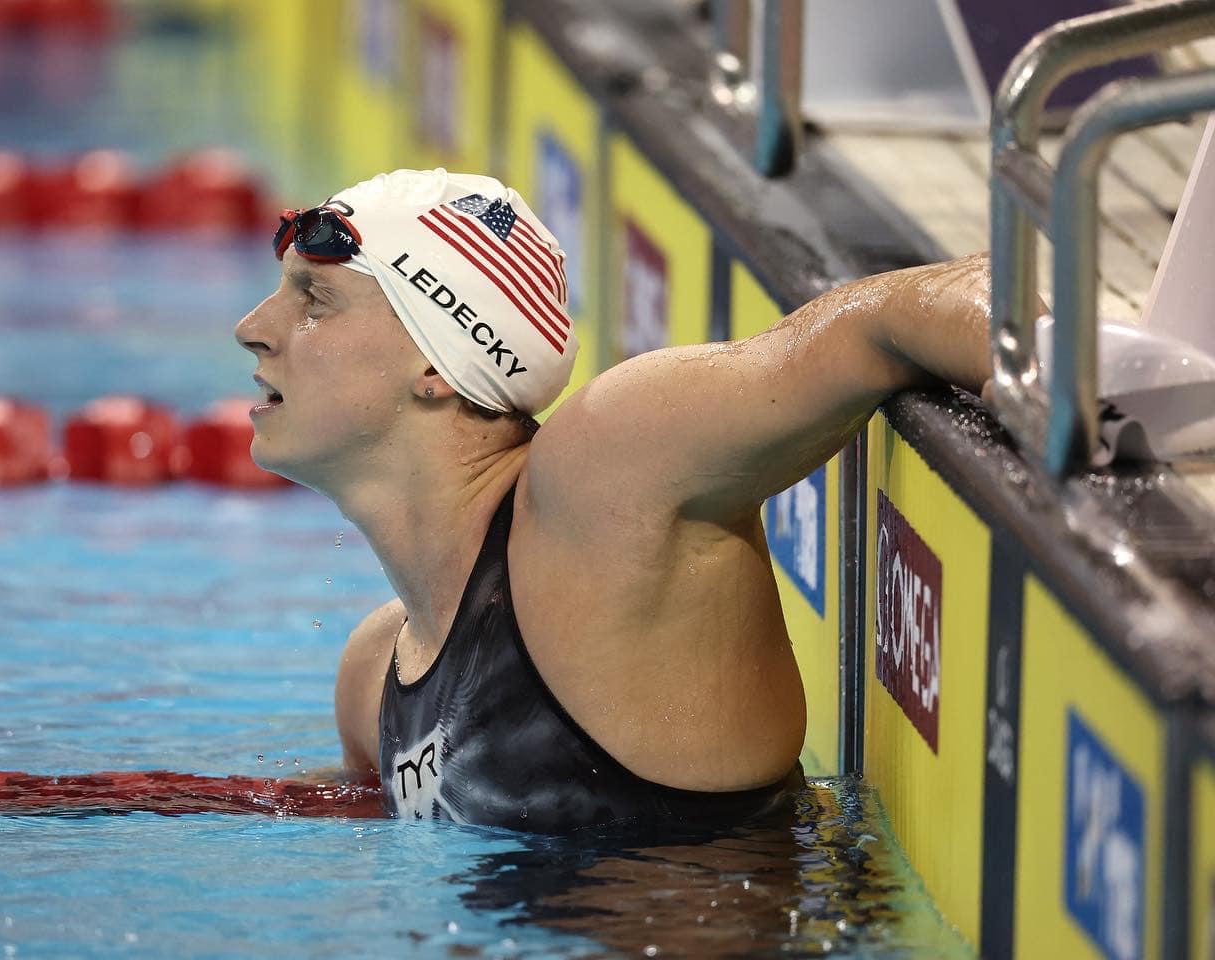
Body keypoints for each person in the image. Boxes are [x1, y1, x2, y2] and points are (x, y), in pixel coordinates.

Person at [233, 168, 992, 834]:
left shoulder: (605, 481)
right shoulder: (374, 675)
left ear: (436, 362)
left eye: (315, 300)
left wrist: (1059, 357)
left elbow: (877, 321)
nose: (252, 328)